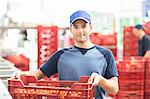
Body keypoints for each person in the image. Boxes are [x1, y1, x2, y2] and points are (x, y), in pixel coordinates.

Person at [15, 10, 119, 99]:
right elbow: (38, 74)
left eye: (84, 26)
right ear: (71, 29)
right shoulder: (61, 55)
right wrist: (21, 74)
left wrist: (101, 80)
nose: (80, 31)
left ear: (90, 27)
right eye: (76, 27)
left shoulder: (105, 54)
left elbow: (114, 89)